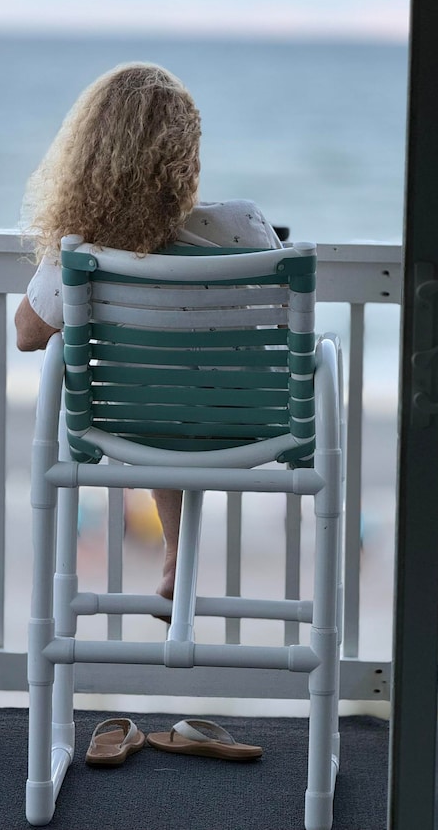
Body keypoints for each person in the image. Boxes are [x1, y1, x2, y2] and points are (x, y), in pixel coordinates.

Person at [15, 62, 282, 601]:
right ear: (187, 151)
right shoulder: (245, 222)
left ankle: (174, 556)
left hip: (130, 426)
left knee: (156, 393)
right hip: (249, 421)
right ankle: (177, 558)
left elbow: (27, 333)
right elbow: (274, 318)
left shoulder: (84, 246)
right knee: (183, 382)